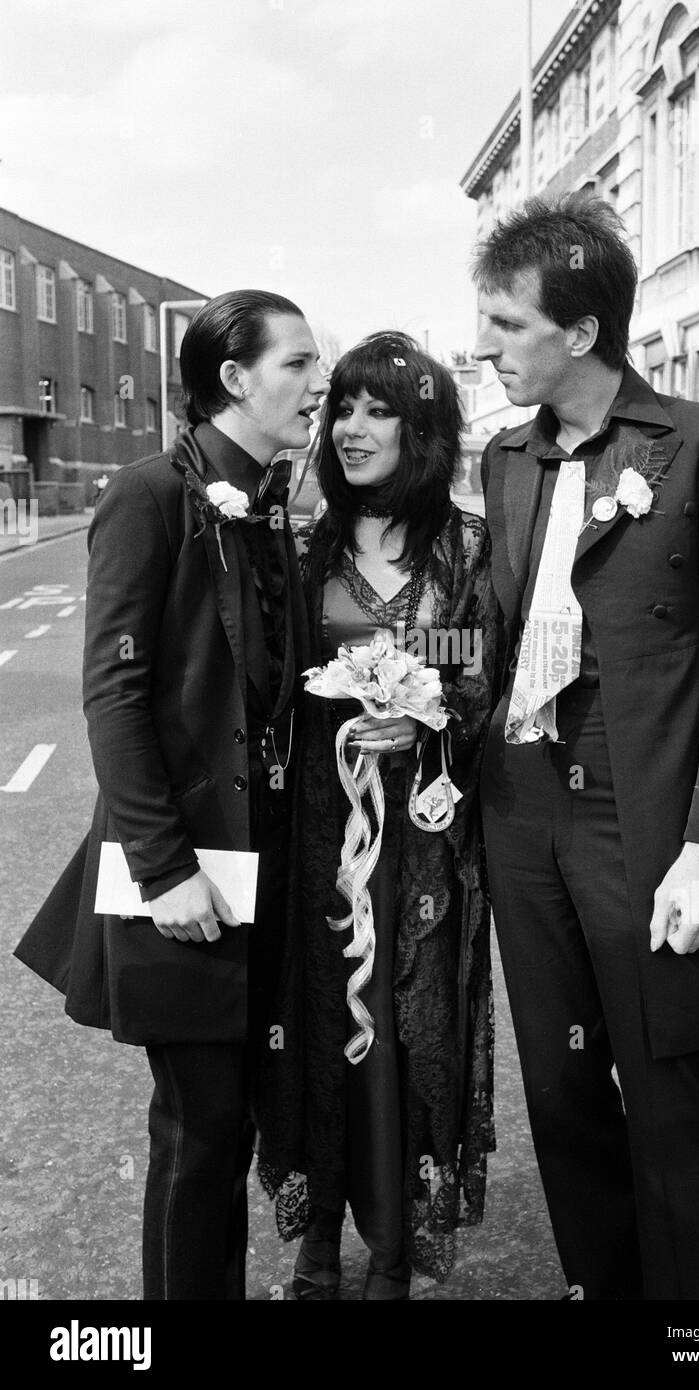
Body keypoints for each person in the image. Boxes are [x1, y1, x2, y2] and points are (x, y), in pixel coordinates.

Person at [473, 194, 699, 1301]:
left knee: (662, 1078)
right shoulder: (504, 459)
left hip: (632, 803)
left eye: (504, 324)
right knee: (559, 1085)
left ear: (578, 330)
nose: (485, 346)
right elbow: (492, 636)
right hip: (517, 795)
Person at [14, 290, 327, 1300]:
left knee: (232, 1120)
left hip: (262, 862)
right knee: (198, 1130)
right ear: (234, 378)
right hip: (186, 872)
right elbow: (113, 693)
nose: (318, 384)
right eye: (299, 364)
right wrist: (164, 869)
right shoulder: (150, 493)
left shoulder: (270, 498)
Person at [254, 331, 499, 1300]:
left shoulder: (463, 547)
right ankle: (318, 1242)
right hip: (320, 829)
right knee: (315, 1018)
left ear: (422, 424)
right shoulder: (304, 543)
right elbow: (267, 679)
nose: (349, 426)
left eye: (376, 409)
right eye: (340, 407)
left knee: (409, 1025)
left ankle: (394, 1247)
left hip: (426, 844)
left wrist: (426, 715)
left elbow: (479, 676)